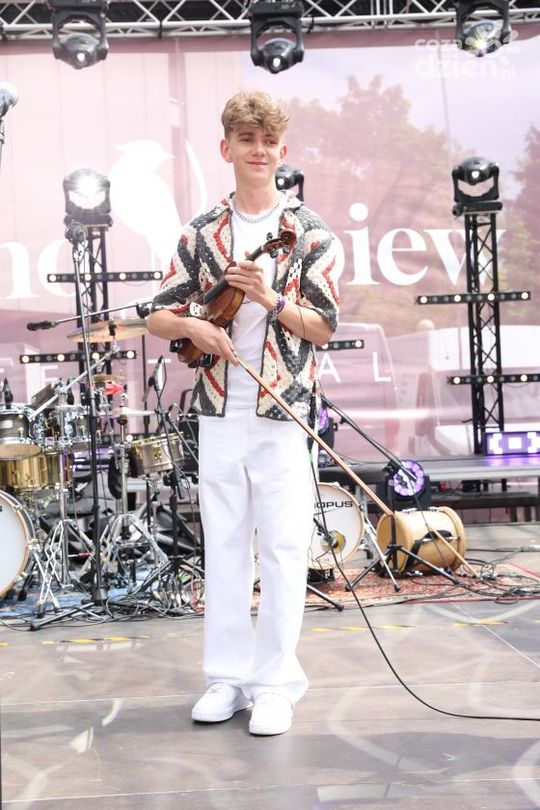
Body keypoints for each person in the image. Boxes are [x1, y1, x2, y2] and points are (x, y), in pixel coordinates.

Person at [146, 90, 342, 736]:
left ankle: (276, 685)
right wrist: (195, 329)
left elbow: (323, 326)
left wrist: (272, 298)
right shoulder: (201, 233)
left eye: (268, 141)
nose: (258, 151)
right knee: (226, 545)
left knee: (283, 548)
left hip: (283, 410)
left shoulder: (310, 233)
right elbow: (158, 315)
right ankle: (227, 679)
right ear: (225, 148)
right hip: (218, 409)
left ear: (282, 152)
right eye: (246, 139)